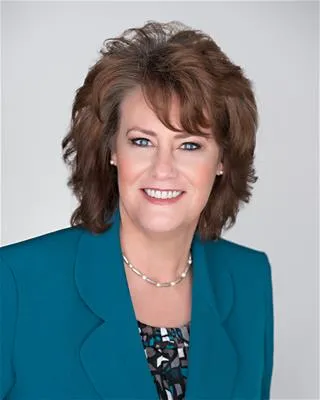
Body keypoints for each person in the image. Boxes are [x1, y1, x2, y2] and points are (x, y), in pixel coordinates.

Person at [0, 20, 274, 400]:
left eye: (189, 145)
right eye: (143, 141)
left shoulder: (249, 280)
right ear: (112, 149)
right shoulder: (14, 282)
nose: (163, 169)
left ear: (223, 160)